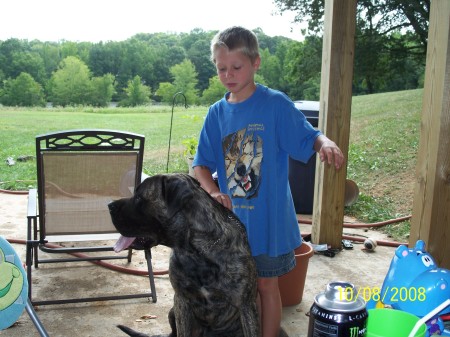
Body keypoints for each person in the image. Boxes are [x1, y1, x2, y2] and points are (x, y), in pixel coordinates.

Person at [192, 26, 345, 337]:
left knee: (266, 286)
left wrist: (324, 143)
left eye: (237, 67)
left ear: (255, 63)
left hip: (268, 224)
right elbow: (200, 165)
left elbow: (310, 135)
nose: (229, 74)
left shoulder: (275, 104)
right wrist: (212, 191)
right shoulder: (216, 114)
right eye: (222, 68)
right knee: (238, 289)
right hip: (231, 225)